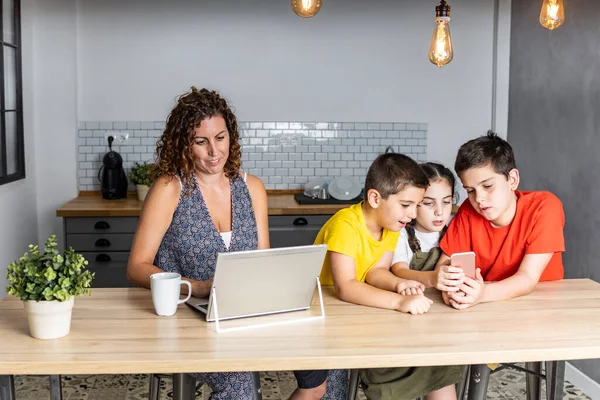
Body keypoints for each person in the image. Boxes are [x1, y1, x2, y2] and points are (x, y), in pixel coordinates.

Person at [127, 87, 269, 399]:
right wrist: (199, 288)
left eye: (220, 138)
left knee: (320, 365)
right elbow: (136, 268)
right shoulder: (169, 188)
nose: (214, 151)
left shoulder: (252, 188)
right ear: (184, 144)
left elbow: (263, 262)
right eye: (200, 141)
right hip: (184, 320)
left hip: (238, 317)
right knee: (239, 383)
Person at [292, 153, 434, 400]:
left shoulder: (391, 225)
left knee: (335, 392)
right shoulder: (345, 225)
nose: (412, 214)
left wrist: (400, 284)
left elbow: (374, 272)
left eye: (416, 205)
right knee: (315, 390)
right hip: (312, 320)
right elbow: (346, 287)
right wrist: (400, 302)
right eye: (406, 204)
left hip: (339, 322)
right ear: (375, 198)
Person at [436, 130, 566, 394]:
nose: (479, 199)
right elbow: (445, 263)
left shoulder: (545, 207)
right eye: (470, 190)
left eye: (487, 186)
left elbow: (528, 279)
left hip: (539, 314)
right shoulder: (468, 211)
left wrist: (482, 293)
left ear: (512, 179)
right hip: (485, 310)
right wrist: (448, 287)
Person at [378, 162, 464, 400]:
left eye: (446, 202)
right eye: (429, 203)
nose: (440, 211)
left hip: (441, 336)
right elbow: (399, 270)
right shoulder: (399, 232)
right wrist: (432, 278)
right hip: (401, 332)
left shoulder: (458, 229)